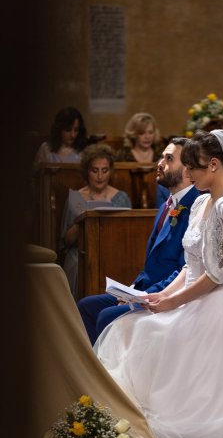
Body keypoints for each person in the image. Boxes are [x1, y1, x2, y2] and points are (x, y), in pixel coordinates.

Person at [94, 129, 223, 438]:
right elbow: (192, 266)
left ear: (215, 165)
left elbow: (218, 273)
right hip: (194, 290)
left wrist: (174, 302)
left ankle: (177, 418)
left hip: (219, 301)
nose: (189, 175)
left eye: (195, 169)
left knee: (151, 332)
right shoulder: (202, 201)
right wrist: (160, 295)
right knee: (130, 326)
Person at [78, 137, 200, 345]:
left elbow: (184, 269)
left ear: (188, 170)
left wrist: (143, 295)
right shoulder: (166, 205)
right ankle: (92, 370)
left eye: (169, 159)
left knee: (107, 316)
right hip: (143, 288)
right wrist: (131, 290)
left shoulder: (196, 206)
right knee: (86, 306)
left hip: (165, 294)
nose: (160, 164)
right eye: (162, 157)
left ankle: (104, 373)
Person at [60, 143, 132, 299]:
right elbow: (65, 241)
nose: (100, 176)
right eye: (95, 170)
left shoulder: (121, 198)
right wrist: (82, 222)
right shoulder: (74, 198)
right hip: (79, 256)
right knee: (78, 266)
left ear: (110, 172)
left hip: (111, 253)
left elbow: (126, 237)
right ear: (87, 171)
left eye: (104, 170)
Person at [116, 111, 168, 206]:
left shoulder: (162, 155)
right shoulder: (122, 156)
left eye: (150, 132)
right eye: (142, 133)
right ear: (134, 134)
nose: (147, 137)